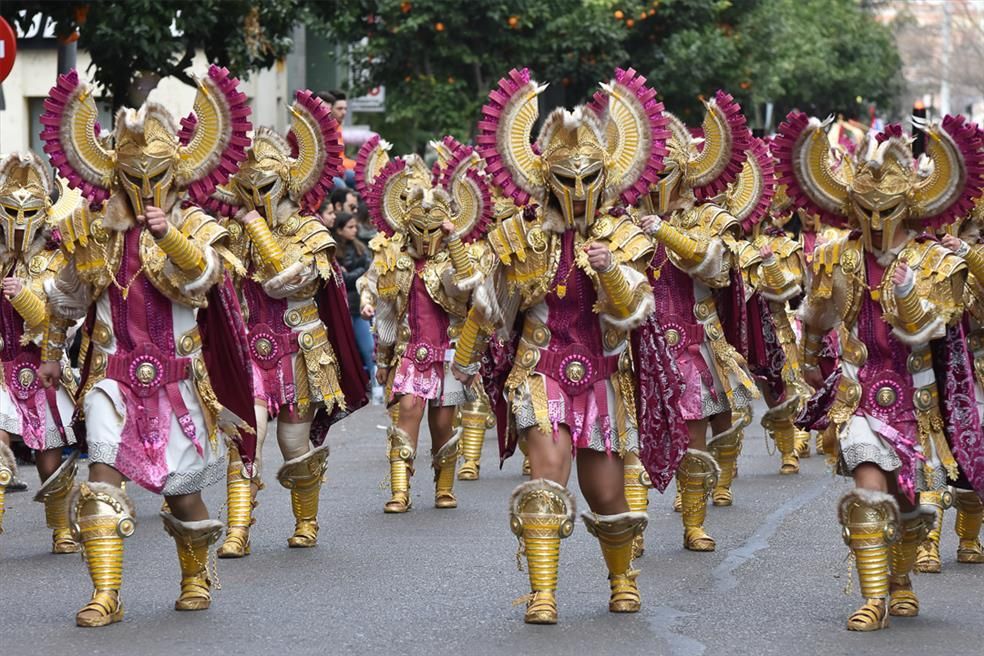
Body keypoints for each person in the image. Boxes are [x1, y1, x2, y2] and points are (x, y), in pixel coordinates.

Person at [38, 65, 254, 626]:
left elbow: (205, 276)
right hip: (110, 378)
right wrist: (47, 352)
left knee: (183, 497)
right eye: (131, 175)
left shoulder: (199, 226)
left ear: (178, 174)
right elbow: (64, 298)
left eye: (155, 174)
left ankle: (194, 577)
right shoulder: (92, 231)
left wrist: (167, 234)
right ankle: (105, 594)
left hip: (179, 385)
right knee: (100, 482)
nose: (143, 186)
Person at [452, 68, 665, 624]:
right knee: (547, 473)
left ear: (606, 179)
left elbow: (637, 310)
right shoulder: (517, 236)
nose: (576, 192)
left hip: (601, 376)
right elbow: (487, 307)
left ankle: (621, 579)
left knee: (606, 494)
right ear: (545, 181)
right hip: (539, 367)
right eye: (565, 181)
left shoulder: (624, 237)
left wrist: (611, 272)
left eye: (587, 179)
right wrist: (468, 349)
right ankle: (543, 592)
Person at [779, 113, 984, 631]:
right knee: (869, 492)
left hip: (918, 398)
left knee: (909, 502)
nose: (875, 221)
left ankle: (901, 581)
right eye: (865, 210)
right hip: (861, 393)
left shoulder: (935, 262)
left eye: (886, 210)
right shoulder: (833, 256)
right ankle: (873, 597)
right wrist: (817, 323)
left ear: (909, 207)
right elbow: (817, 328)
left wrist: (910, 294)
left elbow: (931, 329)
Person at [211, 89, 351, 557]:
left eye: (265, 188)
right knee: (245, 434)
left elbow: (286, 280)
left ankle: (306, 520)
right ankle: (236, 529)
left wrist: (253, 225)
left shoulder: (310, 231)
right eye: (247, 190)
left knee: (294, 440)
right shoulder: (229, 234)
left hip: (298, 348)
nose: (256, 198)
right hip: (250, 347)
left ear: (286, 185)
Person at [636, 91, 760, 551]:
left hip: (693, 339)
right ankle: (632, 528)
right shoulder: (617, 222)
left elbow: (716, 267)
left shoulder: (709, 218)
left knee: (693, 436)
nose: (654, 184)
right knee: (632, 438)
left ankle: (693, 523)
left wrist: (665, 232)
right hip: (635, 344)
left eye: (663, 173)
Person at [356, 135, 490, 515]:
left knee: (443, 423)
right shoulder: (393, 261)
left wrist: (454, 240)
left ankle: (443, 488)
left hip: (448, 353)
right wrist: (382, 360)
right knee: (408, 413)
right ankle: (400, 490)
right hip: (409, 351)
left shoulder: (451, 262)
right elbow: (384, 312)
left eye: (435, 231)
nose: (427, 238)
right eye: (422, 230)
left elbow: (468, 288)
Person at [0, 153, 81, 552]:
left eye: (27, 211)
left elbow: (58, 319)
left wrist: (25, 297)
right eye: (10, 210)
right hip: (0, 366)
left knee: (49, 451)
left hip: (40, 365)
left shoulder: (55, 260)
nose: (18, 220)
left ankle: (62, 528)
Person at [333, 212, 375, 383]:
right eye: (350, 227)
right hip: (342, 308)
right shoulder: (333, 250)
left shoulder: (360, 247)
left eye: (355, 226)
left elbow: (368, 273)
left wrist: (353, 274)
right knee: (344, 352)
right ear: (339, 229)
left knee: (369, 349)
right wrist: (360, 273)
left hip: (358, 306)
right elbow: (340, 279)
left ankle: (376, 385)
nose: (354, 230)